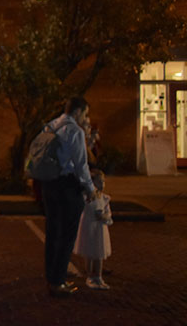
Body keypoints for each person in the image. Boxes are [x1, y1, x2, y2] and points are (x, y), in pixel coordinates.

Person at [41, 96, 97, 297]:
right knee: (67, 235)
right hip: (67, 186)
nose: (86, 118)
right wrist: (90, 189)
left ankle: (52, 277)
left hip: (49, 184)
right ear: (78, 111)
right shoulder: (74, 131)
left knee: (53, 233)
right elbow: (81, 165)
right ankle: (59, 281)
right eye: (85, 113)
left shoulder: (51, 125)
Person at [73, 169, 113, 290]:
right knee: (90, 253)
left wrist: (105, 216)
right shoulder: (87, 197)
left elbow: (108, 212)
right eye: (99, 181)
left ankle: (98, 277)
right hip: (89, 227)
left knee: (99, 253)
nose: (102, 184)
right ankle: (90, 276)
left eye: (103, 181)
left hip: (100, 228)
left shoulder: (105, 198)